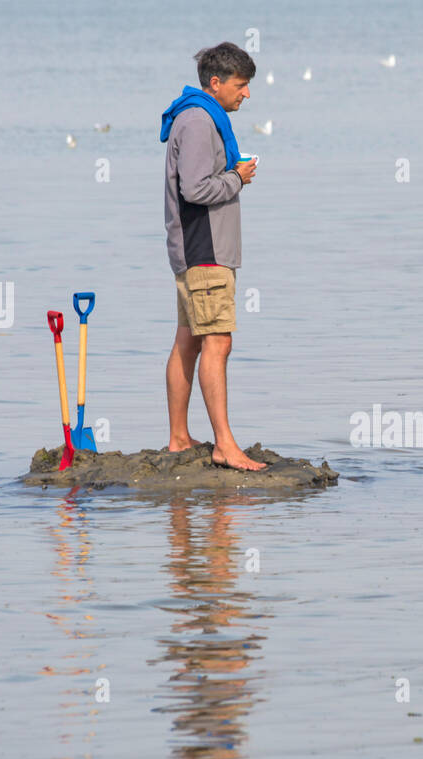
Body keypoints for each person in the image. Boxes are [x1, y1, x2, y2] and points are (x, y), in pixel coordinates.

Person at [161, 42, 265, 470]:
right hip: (204, 250)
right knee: (218, 342)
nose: (246, 94)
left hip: (196, 248)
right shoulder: (200, 121)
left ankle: (179, 438)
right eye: (241, 86)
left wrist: (231, 177)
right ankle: (224, 445)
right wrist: (236, 178)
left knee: (189, 342)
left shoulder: (195, 116)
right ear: (216, 83)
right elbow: (196, 189)